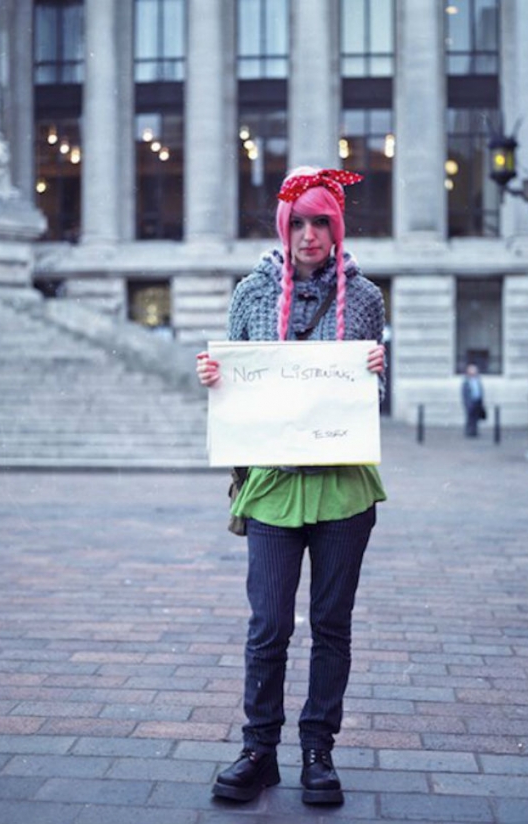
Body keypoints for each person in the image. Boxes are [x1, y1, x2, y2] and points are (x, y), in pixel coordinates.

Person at [196, 167, 387, 806]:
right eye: (299, 222)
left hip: (341, 487)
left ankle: (318, 749)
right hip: (275, 487)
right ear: (284, 226)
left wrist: (376, 375)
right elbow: (239, 387)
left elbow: (368, 400)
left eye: (321, 222)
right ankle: (258, 750)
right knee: (269, 624)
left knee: (331, 623)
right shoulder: (251, 294)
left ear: (337, 227)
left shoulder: (365, 299)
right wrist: (214, 376)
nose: (310, 235)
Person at [461, 362, 486, 437]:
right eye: (472, 370)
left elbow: (480, 390)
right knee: (469, 418)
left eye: (475, 370)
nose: (474, 372)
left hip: (477, 401)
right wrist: (467, 403)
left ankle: (474, 431)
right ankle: (469, 432)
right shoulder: (466, 381)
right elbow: (464, 393)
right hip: (470, 402)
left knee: (476, 418)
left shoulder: (478, 380)